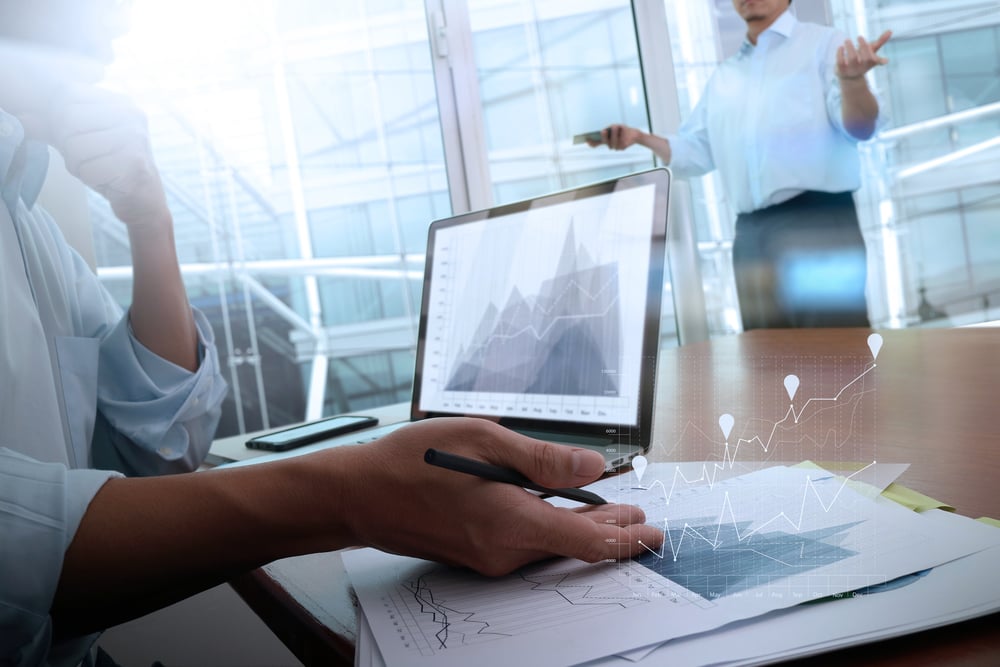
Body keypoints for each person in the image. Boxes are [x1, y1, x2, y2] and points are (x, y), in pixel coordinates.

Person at [0, 3, 663, 666]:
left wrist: (150, 221)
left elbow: (161, 451)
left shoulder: (30, 226)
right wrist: (351, 492)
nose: (118, 28)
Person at [591, 0, 891, 330]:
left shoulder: (825, 44)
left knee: (835, 356)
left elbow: (861, 129)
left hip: (817, 223)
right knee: (768, 362)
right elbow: (695, 152)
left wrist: (853, 82)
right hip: (751, 236)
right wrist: (640, 138)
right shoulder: (724, 78)